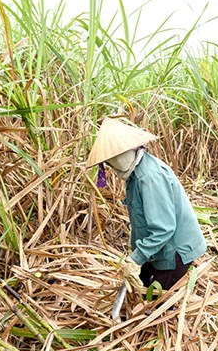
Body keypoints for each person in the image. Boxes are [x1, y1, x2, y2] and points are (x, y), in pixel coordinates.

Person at [86, 118, 207, 293]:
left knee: (154, 302)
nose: (114, 165)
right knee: (136, 288)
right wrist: (136, 256)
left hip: (174, 251)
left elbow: (163, 228)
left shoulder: (149, 177)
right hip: (158, 248)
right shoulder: (134, 174)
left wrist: (136, 259)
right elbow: (141, 221)